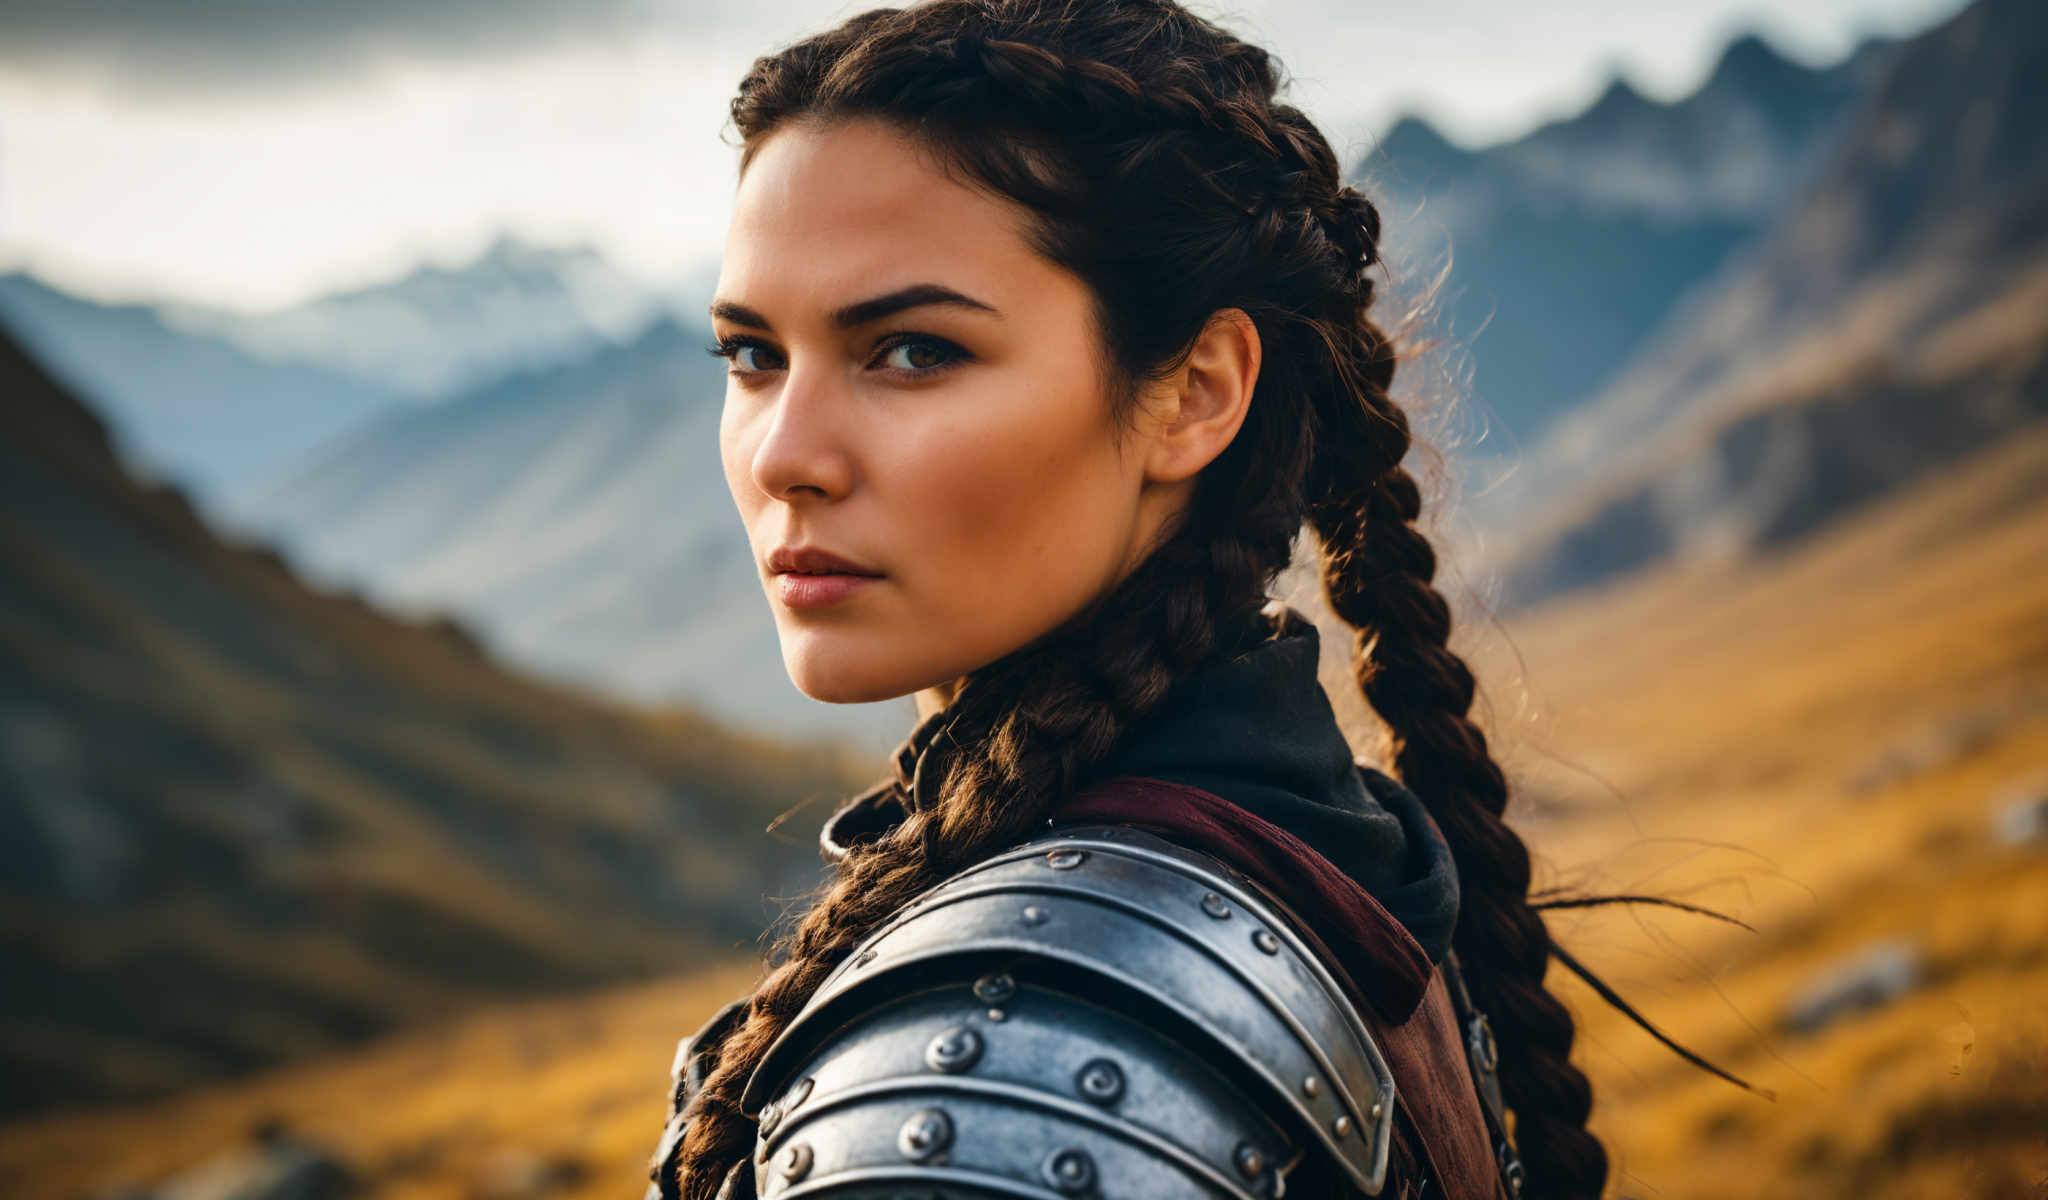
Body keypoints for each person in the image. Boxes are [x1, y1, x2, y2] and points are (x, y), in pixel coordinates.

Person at [649, 1, 1612, 1196]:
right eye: (752, 355)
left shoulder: (1006, 1059)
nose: (786, 454)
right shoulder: (1298, 833)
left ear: (1195, 393)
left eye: (912, 350)